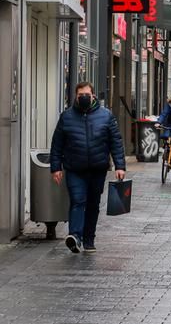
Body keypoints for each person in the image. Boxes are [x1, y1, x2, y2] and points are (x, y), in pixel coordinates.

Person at [50, 82, 126, 254]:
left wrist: (120, 166)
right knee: (78, 200)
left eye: (87, 94)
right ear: (75, 97)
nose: (83, 97)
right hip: (75, 168)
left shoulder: (106, 116)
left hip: (97, 169)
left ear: (93, 96)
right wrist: (56, 167)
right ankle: (75, 236)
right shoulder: (66, 117)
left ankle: (89, 239)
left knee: (93, 204)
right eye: (80, 95)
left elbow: (116, 142)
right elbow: (57, 144)